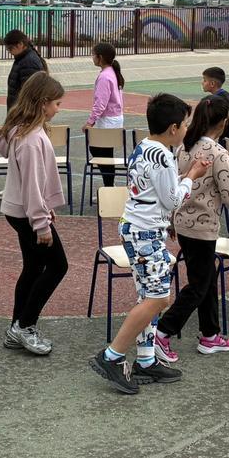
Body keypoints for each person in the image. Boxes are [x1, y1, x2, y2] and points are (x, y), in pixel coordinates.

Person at [89, 94, 209, 395]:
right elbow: (171, 200)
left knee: (149, 296)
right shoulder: (164, 156)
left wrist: (166, 214)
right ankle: (111, 356)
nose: (186, 129)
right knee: (157, 299)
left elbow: (154, 194)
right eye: (184, 125)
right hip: (144, 233)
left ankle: (145, 359)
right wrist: (192, 175)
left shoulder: (145, 146)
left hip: (138, 227)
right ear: (172, 128)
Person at [154, 97, 229, 361]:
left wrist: (173, 218)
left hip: (184, 224)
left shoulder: (185, 147)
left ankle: (210, 334)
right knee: (199, 284)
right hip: (203, 227)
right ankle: (163, 331)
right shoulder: (217, 152)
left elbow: (175, 185)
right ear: (222, 123)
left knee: (206, 280)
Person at [0, 73, 69, 356]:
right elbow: (33, 186)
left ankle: (17, 327)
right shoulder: (31, 139)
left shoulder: (22, 131)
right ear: (43, 103)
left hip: (22, 211)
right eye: (57, 103)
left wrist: (44, 210)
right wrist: (41, 223)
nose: (58, 109)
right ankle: (25, 326)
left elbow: (31, 184)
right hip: (27, 214)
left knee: (34, 267)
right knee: (58, 266)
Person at [83, 42, 125, 189]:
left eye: (93, 54)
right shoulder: (112, 72)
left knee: (100, 152)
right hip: (115, 118)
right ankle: (109, 186)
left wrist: (90, 122)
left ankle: (109, 188)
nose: (92, 57)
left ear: (100, 57)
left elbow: (100, 103)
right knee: (106, 155)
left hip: (108, 120)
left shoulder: (104, 77)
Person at [200, 66, 229, 175]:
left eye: (204, 80)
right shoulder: (227, 95)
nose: (202, 82)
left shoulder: (217, 100)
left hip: (228, 137)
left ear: (212, 84)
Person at [4, 29, 47, 108]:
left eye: (10, 48)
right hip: (19, 111)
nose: (9, 51)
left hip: (23, 113)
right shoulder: (21, 59)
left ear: (20, 44)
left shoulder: (28, 62)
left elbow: (30, 94)